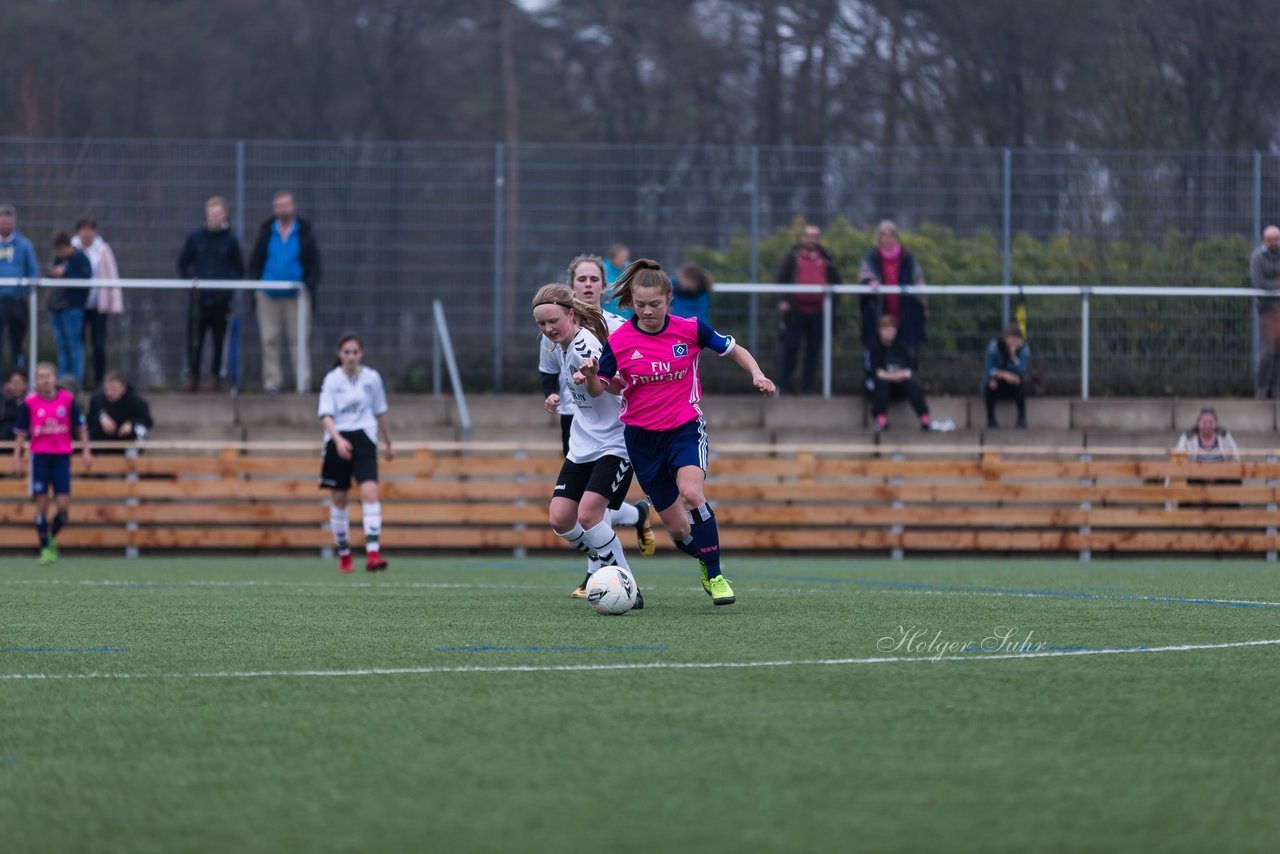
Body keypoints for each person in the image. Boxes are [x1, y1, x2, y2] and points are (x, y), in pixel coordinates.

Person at [578, 259, 777, 606]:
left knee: (692, 494)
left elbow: (734, 350)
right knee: (680, 530)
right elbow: (603, 389)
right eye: (640, 305)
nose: (647, 310)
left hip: (684, 429)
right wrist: (593, 376)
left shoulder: (690, 328)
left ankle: (715, 577)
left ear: (669, 300)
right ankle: (705, 557)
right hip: (642, 440)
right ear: (632, 303)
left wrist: (756, 374)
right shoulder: (621, 340)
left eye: (655, 304)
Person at [539, 254, 656, 597]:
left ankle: (613, 579)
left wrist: (595, 376)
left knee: (591, 512)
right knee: (563, 518)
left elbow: (620, 379)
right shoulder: (553, 337)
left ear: (603, 287)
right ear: (570, 286)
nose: (588, 285)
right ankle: (611, 553)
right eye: (581, 279)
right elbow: (548, 373)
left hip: (616, 436)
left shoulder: (609, 331)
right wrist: (554, 395)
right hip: (580, 431)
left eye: (594, 279)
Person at [318, 334, 393, 573]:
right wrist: (338, 440)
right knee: (339, 499)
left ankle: (373, 554)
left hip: (364, 439)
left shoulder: (372, 378)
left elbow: (380, 411)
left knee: (370, 493)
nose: (351, 356)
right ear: (340, 354)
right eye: (346, 352)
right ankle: (345, 555)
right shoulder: (332, 380)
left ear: (361, 354)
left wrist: (389, 442)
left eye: (355, 352)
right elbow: (325, 416)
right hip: (337, 440)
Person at [11, 362, 92, 564]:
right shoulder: (29, 403)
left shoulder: (67, 399)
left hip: (61, 457)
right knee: (42, 506)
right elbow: (21, 433)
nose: (44, 380)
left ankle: (50, 537)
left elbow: (81, 426)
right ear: (36, 381)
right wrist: (16, 458)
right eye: (40, 377)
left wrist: (86, 450)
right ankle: (45, 549)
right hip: (39, 458)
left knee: (63, 508)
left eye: (47, 376)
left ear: (55, 379)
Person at [249, 190, 321, 394]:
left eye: (286, 205)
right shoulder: (266, 232)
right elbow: (256, 261)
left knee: (298, 341)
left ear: (293, 207)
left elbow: (314, 264)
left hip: (297, 296)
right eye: (279, 206)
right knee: (269, 340)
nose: (282, 209)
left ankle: (303, 383)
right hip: (268, 295)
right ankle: (272, 383)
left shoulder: (304, 232)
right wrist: (257, 287)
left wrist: (308, 287)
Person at [178, 196, 245, 392]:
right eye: (211, 214)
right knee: (194, 341)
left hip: (221, 302)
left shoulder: (231, 241)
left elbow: (238, 270)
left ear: (224, 214)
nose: (214, 218)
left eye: (218, 214)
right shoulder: (195, 238)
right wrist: (191, 285)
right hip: (198, 302)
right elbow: (182, 265)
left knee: (218, 341)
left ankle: (216, 378)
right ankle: (193, 377)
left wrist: (226, 290)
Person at [774, 223, 841, 394]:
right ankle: (784, 386)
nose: (812, 240)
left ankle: (808, 388)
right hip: (796, 312)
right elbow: (781, 279)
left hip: (819, 312)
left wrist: (833, 303)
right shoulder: (793, 256)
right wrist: (782, 300)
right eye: (809, 236)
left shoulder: (827, 257)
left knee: (813, 352)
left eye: (815, 236)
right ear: (803, 237)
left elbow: (836, 282)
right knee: (791, 349)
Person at [859, 220, 927, 371]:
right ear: (879, 238)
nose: (887, 239)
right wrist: (870, 281)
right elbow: (865, 278)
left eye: (891, 235)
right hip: (880, 312)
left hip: (905, 311)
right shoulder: (871, 257)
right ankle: (876, 383)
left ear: (896, 237)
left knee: (908, 350)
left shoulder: (908, 257)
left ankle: (910, 382)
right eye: (883, 235)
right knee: (878, 349)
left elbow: (918, 279)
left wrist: (922, 298)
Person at [72, 216, 122, 389]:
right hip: (76, 306)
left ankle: (99, 381)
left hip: (98, 307)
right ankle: (76, 381)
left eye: (90, 229)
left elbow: (112, 275)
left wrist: (115, 304)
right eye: (83, 229)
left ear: (95, 231)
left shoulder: (103, 249)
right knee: (77, 344)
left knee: (98, 344)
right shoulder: (72, 249)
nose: (87, 233)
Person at [864, 314, 931, 432]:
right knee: (882, 382)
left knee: (912, 383)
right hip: (878, 388)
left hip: (898, 386)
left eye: (892, 329)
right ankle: (880, 418)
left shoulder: (901, 346)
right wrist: (893, 376)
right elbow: (876, 372)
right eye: (886, 329)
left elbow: (909, 370)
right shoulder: (872, 347)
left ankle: (924, 418)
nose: (889, 332)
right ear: (880, 331)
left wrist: (893, 375)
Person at [47, 232, 92, 387]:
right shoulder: (60, 259)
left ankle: (75, 383)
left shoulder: (80, 258)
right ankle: (61, 381)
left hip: (72, 308)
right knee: (61, 346)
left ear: (68, 246)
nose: (59, 254)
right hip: (57, 307)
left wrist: (66, 273)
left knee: (74, 346)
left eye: (61, 250)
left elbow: (85, 280)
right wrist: (53, 273)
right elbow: (50, 274)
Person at [0, 203, 38, 374]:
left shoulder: (24, 245)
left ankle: (19, 379)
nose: (6, 224)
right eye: (3, 221)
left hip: (16, 301)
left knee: (18, 342)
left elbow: (33, 271)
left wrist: (25, 290)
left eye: (9, 221)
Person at [1250, 225, 1280, 398]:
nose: (1273, 243)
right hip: (1267, 311)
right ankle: (1261, 389)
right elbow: (1258, 282)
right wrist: (1277, 286)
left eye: (1276, 239)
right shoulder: (1258, 258)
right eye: (1269, 240)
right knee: (1267, 352)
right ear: (1264, 240)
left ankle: (1277, 390)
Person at [983, 324, 1030, 429]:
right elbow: (989, 369)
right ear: (1005, 338)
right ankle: (991, 420)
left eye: (1016, 338)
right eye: (1011, 338)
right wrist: (1004, 375)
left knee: (1019, 383)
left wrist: (1013, 356)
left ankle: (1021, 419)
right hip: (998, 382)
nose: (1013, 341)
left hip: (1013, 384)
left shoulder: (1024, 349)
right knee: (990, 384)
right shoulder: (994, 347)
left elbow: (1021, 370)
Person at [87, 370, 153, 446]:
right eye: (106, 389)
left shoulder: (136, 401)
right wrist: (101, 418)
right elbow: (89, 417)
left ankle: (133, 453)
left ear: (123, 387)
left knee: (140, 430)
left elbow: (147, 420)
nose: (109, 393)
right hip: (103, 437)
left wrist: (132, 423)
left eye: (114, 389)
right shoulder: (97, 399)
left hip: (127, 438)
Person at [1174, 408, 1240, 463]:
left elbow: (1236, 456)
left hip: (1221, 475)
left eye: (1210, 422)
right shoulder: (1187, 436)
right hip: (1195, 475)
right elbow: (1177, 457)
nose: (1207, 425)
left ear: (1216, 423)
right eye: (1204, 422)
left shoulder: (1225, 435)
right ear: (1198, 423)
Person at [601, 243, 632, 318]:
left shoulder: (631, 269)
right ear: (613, 257)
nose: (624, 260)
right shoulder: (602, 268)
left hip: (626, 315)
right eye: (621, 257)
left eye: (625, 257)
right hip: (606, 313)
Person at [0, 369, 27, 440]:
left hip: (26, 446)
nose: (17, 387)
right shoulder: (2, 402)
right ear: (7, 384)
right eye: (15, 383)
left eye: (20, 383)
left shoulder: (29, 403)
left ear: (25, 385)